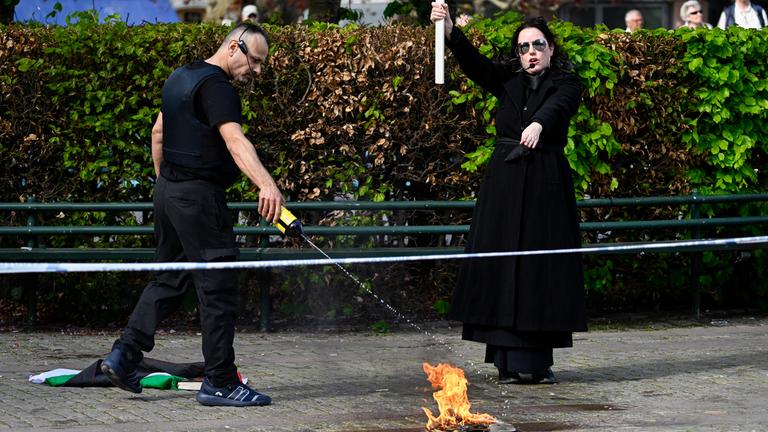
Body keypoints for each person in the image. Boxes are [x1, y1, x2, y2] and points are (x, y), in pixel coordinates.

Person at [100, 23, 284, 407]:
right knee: (218, 288)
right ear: (234, 47)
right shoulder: (217, 88)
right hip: (199, 199)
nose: (258, 71)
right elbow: (235, 141)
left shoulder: (180, 77)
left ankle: (123, 355)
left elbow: (157, 133)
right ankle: (219, 381)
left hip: (168, 192)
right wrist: (266, 184)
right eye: (255, 61)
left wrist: (166, 187)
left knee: (168, 278)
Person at [430, 4, 586, 384]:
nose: (530, 52)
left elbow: (558, 106)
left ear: (550, 48)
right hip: (504, 183)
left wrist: (537, 124)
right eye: (523, 47)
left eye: (537, 45)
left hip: (544, 187)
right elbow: (476, 65)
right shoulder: (508, 80)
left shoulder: (567, 81)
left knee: (537, 271)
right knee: (502, 267)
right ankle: (503, 359)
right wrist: (450, 30)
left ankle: (534, 363)